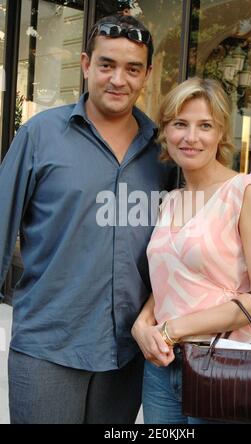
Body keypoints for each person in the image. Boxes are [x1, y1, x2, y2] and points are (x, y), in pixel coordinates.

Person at [0, 14, 176, 424]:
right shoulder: (40, 135)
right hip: (49, 348)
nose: (118, 79)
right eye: (106, 65)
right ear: (85, 64)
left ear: (147, 74)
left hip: (127, 354)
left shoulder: (163, 154)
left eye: (132, 68)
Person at [132, 77, 251, 424]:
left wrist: (173, 329)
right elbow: (171, 276)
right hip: (162, 366)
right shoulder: (171, 201)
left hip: (224, 365)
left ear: (220, 134)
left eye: (205, 126)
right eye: (180, 124)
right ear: (165, 131)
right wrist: (143, 323)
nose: (191, 137)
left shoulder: (246, 191)